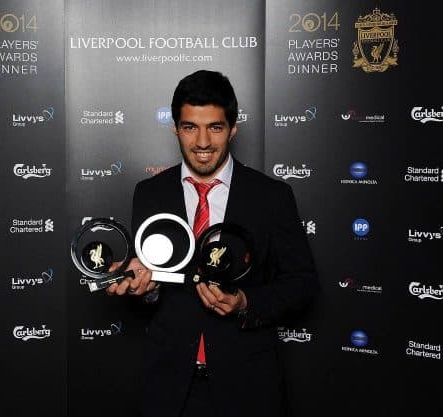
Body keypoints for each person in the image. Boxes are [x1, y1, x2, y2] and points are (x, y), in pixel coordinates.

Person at [106, 69, 319, 417]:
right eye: (190, 127)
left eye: (215, 127)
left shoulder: (272, 196)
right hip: (169, 388)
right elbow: (148, 291)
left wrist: (245, 302)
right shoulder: (150, 194)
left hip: (248, 386)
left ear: (233, 129)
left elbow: (303, 283)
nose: (202, 142)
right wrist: (142, 287)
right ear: (176, 128)